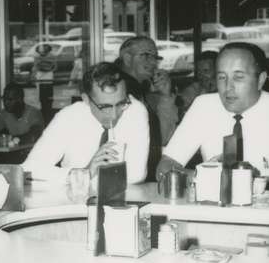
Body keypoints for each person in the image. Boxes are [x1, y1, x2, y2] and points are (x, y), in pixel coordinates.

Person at [21, 62, 149, 185]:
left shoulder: (135, 110)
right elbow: (29, 168)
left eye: (121, 103)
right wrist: (84, 173)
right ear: (86, 99)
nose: (114, 115)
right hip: (75, 201)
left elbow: (136, 176)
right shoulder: (69, 116)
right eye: (105, 106)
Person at [156, 42, 269, 178]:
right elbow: (164, 168)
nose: (228, 87)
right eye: (222, 77)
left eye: (238, 77)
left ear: (261, 80)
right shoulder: (204, 106)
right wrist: (208, 178)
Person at [117, 35, 178, 179]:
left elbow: (162, 137)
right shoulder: (117, 90)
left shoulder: (143, 90)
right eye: (145, 55)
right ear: (127, 58)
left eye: (155, 57)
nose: (152, 62)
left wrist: (165, 96)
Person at [177, 50, 217, 115]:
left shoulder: (226, 90)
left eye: (206, 71)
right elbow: (182, 110)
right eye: (198, 71)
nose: (201, 75)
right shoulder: (194, 89)